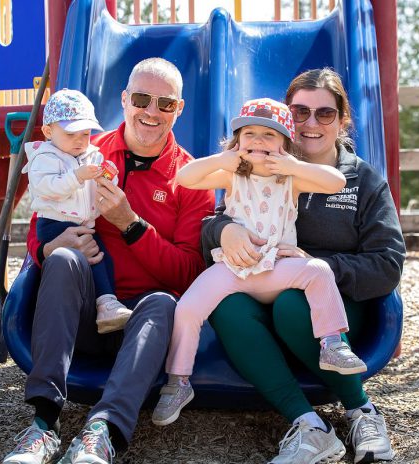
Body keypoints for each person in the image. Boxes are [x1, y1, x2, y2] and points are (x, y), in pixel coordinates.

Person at [2, 57, 215, 464]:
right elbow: (40, 222)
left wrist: (131, 225)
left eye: (165, 104)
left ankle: (102, 431)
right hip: (82, 314)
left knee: (163, 302)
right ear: (124, 99)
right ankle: (43, 424)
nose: (151, 112)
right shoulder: (84, 153)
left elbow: (190, 272)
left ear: (179, 109)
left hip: (144, 328)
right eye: (141, 98)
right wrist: (47, 247)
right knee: (64, 258)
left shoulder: (190, 178)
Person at [201, 69, 405, 464]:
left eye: (325, 114)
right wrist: (223, 230)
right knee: (226, 305)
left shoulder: (362, 181)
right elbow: (212, 223)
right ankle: (309, 424)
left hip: (338, 309)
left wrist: (319, 265)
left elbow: (388, 262)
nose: (311, 124)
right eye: (300, 112)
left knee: (294, 304)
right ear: (284, 117)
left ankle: (361, 410)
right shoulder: (257, 165)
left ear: (342, 120)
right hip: (265, 293)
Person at [152, 98, 367, 427]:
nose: (257, 140)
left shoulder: (290, 179)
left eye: (269, 134)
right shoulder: (233, 175)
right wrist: (221, 160)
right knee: (188, 308)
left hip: (275, 270)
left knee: (319, 270)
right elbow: (184, 178)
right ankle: (178, 381)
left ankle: (332, 343)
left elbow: (336, 182)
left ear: (285, 142)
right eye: (248, 133)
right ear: (237, 142)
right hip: (233, 270)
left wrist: (294, 166)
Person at [23, 88, 130, 334]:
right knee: (70, 263)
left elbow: (98, 186)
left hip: (84, 224)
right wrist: (77, 176)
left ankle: (106, 304)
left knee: (102, 258)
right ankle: (78, 312)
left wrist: (107, 178)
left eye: (86, 133)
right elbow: (49, 188)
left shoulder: (89, 154)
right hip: (54, 225)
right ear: (49, 132)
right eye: (72, 134)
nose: (81, 141)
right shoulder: (44, 158)